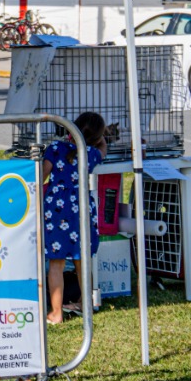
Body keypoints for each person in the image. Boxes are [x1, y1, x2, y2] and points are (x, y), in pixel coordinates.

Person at [42, 111, 108, 325]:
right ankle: (85, 303)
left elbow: (42, 174)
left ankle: (56, 312)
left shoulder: (55, 149)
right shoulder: (92, 154)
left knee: (56, 263)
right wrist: (100, 139)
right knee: (82, 260)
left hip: (57, 211)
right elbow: (103, 149)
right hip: (81, 208)